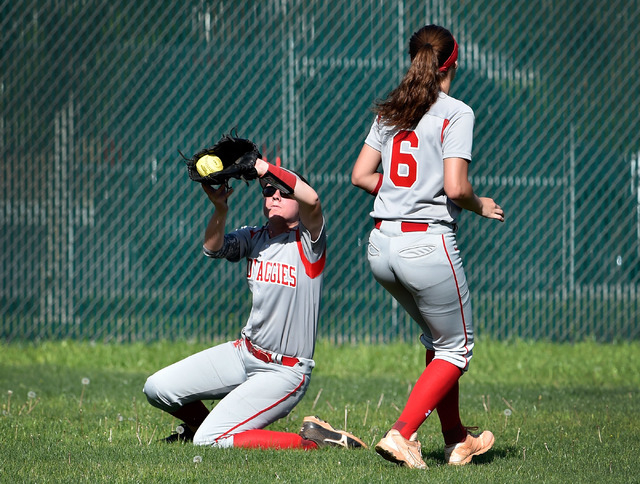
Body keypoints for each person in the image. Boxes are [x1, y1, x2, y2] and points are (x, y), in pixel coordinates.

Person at [351, 24, 504, 469]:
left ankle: (458, 439)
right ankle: (402, 433)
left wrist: (403, 189)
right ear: (453, 61)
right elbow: (456, 189)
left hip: (381, 245)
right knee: (457, 349)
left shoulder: (391, 109)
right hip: (426, 244)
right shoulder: (456, 112)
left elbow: (360, 176)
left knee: (440, 343)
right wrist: (480, 205)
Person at [144, 157, 366, 451]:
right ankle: (201, 426)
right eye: (268, 191)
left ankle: (314, 443)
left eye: (284, 192)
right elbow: (213, 248)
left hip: (285, 372)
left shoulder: (309, 242)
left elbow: (312, 199)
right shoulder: (254, 237)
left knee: (210, 442)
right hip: (244, 354)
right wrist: (220, 209)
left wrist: (262, 167)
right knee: (157, 388)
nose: (274, 195)